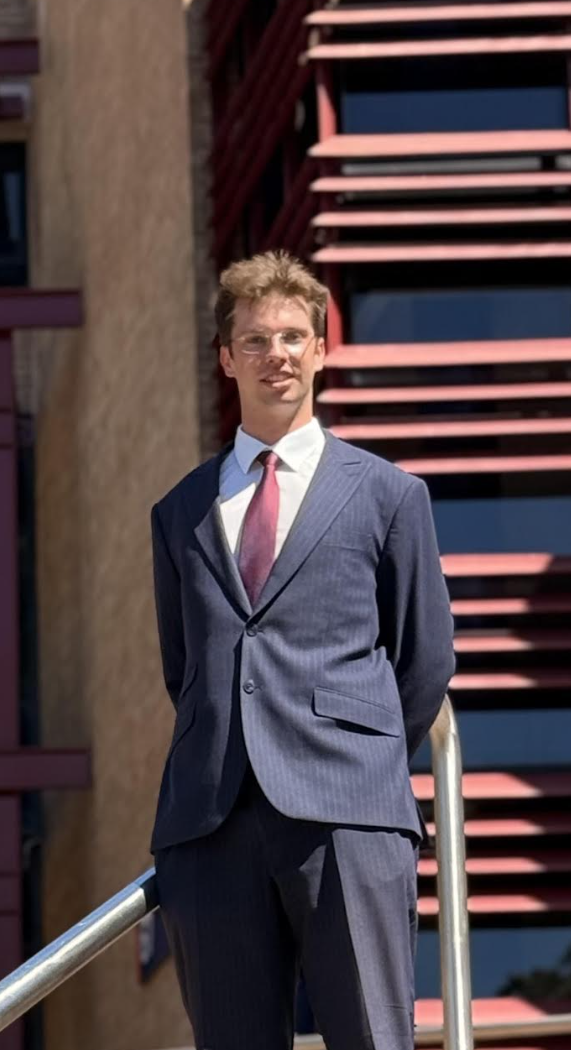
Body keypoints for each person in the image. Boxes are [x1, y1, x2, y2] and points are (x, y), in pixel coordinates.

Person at [149, 250, 456, 1050]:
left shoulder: (390, 496)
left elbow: (423, 659)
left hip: (348, 814)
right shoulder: (179, 510)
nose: (275, 354)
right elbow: (183, 666)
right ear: (226, 358)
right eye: (254, 340)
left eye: (293, 336)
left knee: (370, 1038)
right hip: (211, 822)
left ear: (321, 348)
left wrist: (355, 749)